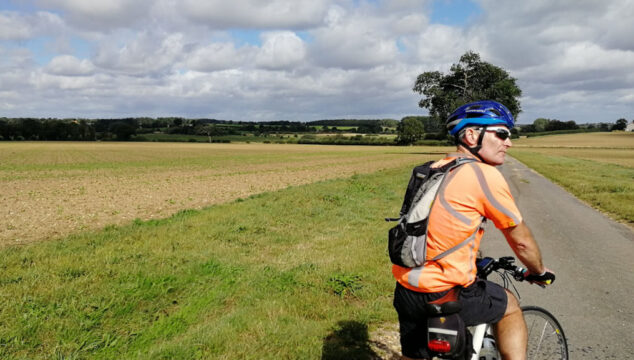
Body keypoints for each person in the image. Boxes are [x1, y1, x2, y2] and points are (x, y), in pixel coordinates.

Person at [392, 100, 554, 360]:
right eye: (501, 133)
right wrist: (538, 271)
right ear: (471, 135)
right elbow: (521, 241)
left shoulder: (432, 170)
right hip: (448, 291)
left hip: (407, 289)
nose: (508, 142)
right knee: (510, 306)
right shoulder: (482, 174)